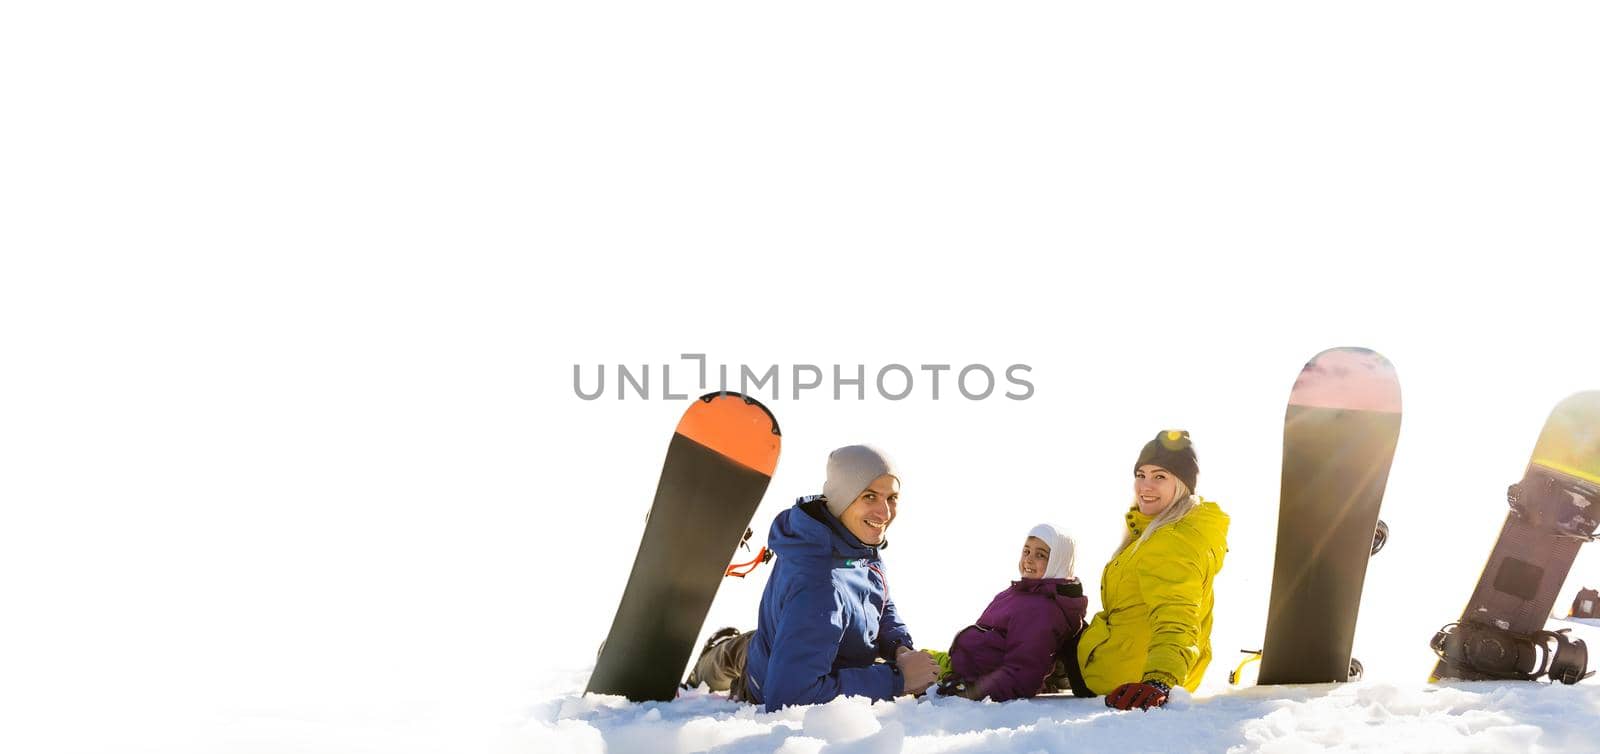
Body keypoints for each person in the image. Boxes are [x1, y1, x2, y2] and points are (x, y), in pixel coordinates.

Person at [687, 445, 941, 711]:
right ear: (843, 498)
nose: (885, 513)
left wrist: (899, 646)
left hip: (791, 644)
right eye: (870, 496)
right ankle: (703, 671)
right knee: (744, 655)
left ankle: (720, 653)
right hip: (769, 680)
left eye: (892, 498)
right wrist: (897, 680)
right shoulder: (821, 587)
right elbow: (789, 696)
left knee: (748, 646)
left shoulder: (851, 543)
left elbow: (879, 602)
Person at [1078, 430, 1229, 711]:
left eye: (1160, 476)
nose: (1145, 486)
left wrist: (1160, 680)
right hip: (1127, 668)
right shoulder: (1154, 532)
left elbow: (1176, 617)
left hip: (1131, 681)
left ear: (1182, 484)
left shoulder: (1171, 541)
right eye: (1141, 475)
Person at [929, 523, 1089, 701]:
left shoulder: (1041, 610)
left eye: (1040, 555)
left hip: (972, 676)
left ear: (1059, 560)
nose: (1028, 559)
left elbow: (1021, 673)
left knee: (911, 667)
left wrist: (972, 690)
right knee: (913, 658)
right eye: (1026, 551)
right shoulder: (1021, 593)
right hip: (961, 664)